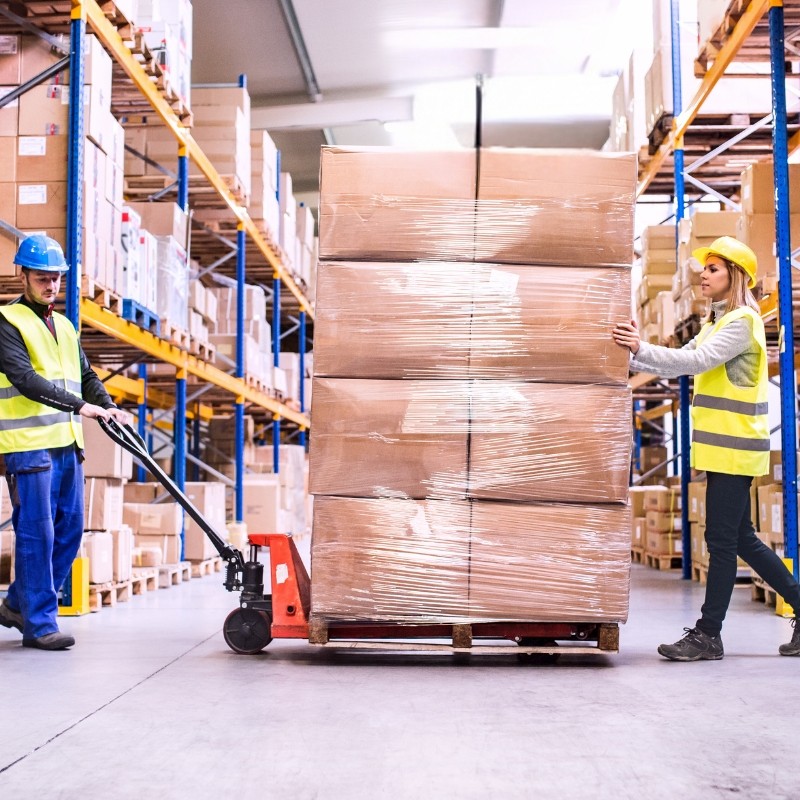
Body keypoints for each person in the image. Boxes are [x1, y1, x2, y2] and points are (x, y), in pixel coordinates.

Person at [613, 235, 800, 661]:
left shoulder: (742, 322)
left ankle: (707, 634)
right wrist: (633, 355)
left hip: (734, 448)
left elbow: (696, 363)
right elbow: (681, 356)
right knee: (741, 540)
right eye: (704, 268)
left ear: (735, 275)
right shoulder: (716, 322)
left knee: (720, 541)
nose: (703, 274)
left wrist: (639, 349)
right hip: (722, 448)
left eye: (713, 269)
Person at [0, 236, 130, 651]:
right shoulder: (7, 322)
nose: (50, 285)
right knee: (37, 533)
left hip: (66, 444)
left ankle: (19, 603)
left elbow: (86, 376)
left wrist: (107, 407)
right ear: (23, 276)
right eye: (42, 278)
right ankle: (39, 624)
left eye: (56, 279)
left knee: (70, 531)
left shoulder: (66, 325)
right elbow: (25, 379)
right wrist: (80, 407)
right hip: (28, 445)